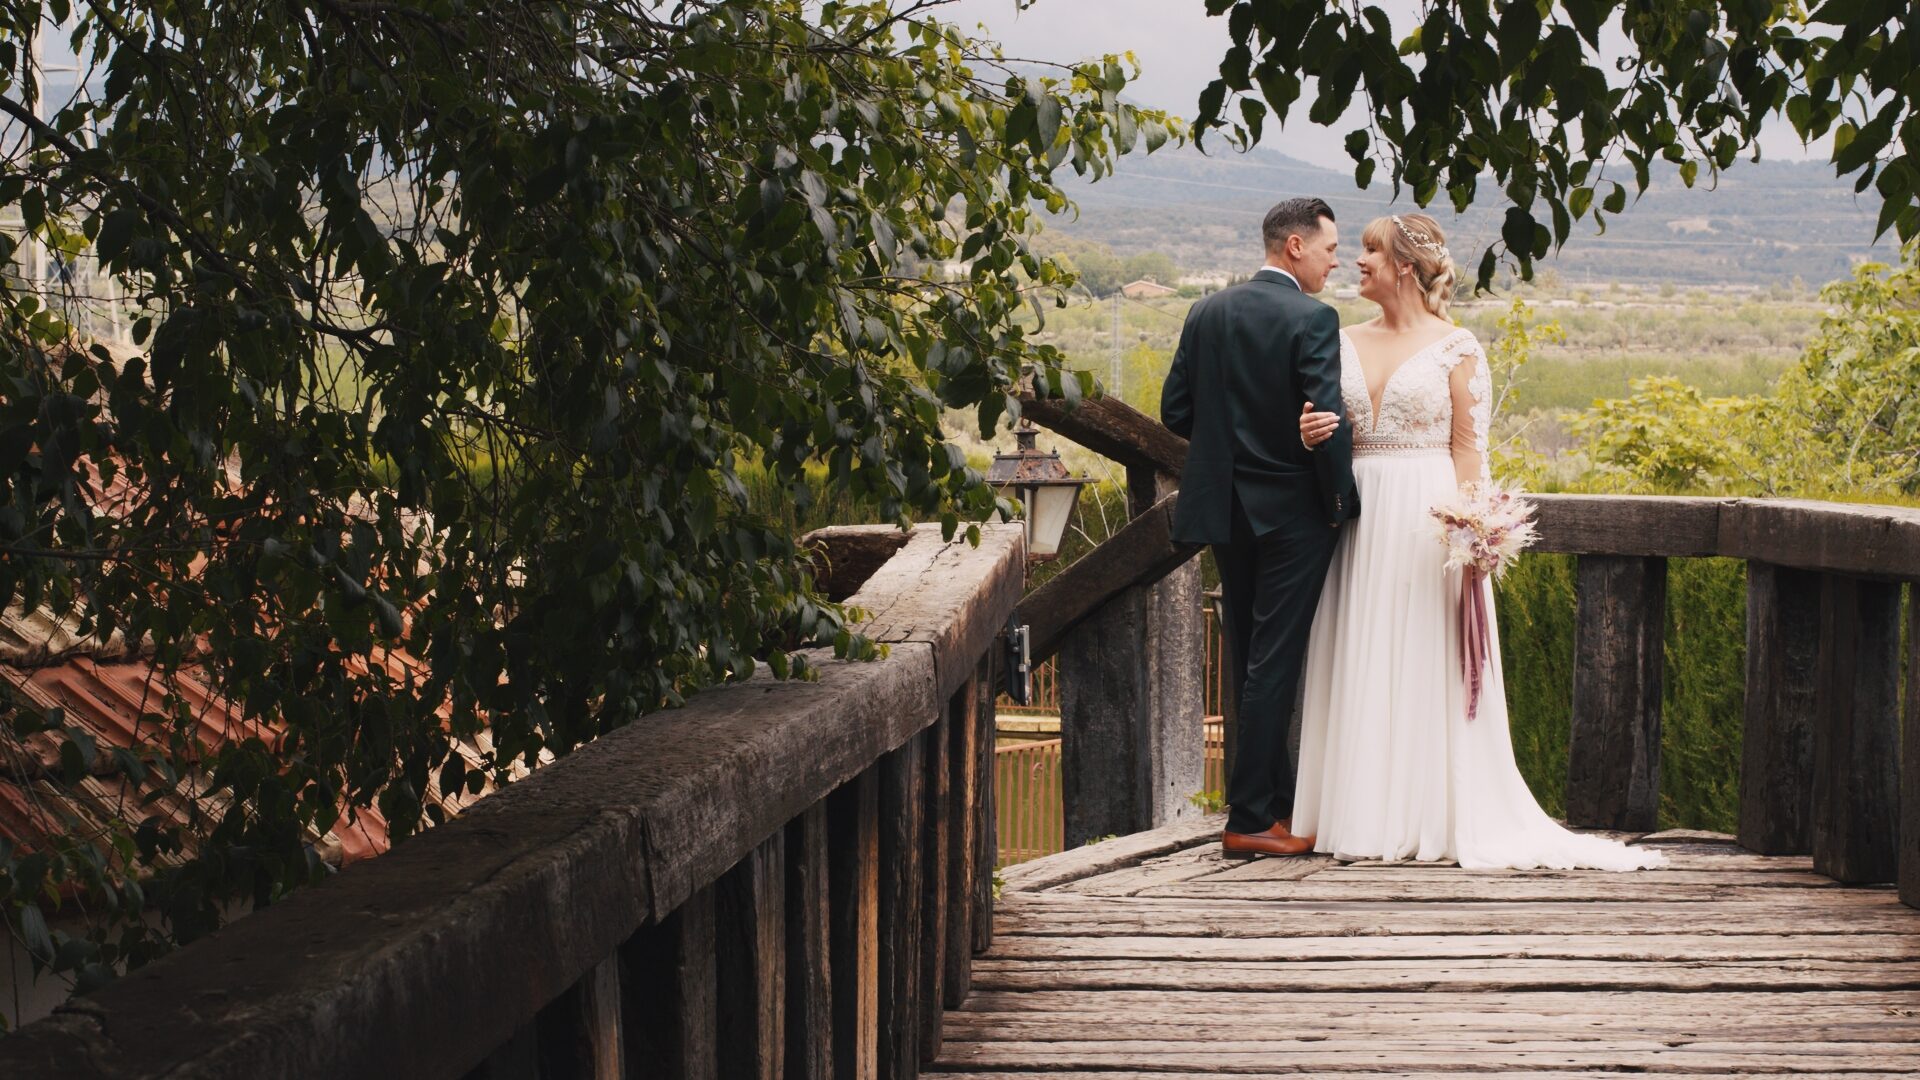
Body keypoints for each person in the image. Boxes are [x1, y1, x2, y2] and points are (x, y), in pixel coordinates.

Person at [1293, 213, 1664, 871]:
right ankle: (1357, 812)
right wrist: (1310, 434)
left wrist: (1476, 531)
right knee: (1363, 649)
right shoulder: (1340, 340)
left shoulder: (1456, 347)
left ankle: (1429, 814)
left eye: (1372, 251)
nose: (1359, 262)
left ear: (1405, 265)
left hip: (1428, 516)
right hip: (1356, 517)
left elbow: (1470, 448)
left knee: (1422, 655)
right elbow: (1318, 425)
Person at [1160, 198, 1359, 859]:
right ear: (1295, 247)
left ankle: (1270, 805)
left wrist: (1231, 451)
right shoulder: (1313, 318)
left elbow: (1176, 411)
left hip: (1225, 511)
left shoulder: (1205, 312)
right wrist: (1339, 503)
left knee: (1249, 657)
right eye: (1331, 249)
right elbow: (1324, 422)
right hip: (1292, 515)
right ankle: (1249, 818)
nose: (1337, 261)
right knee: (1274, 662)